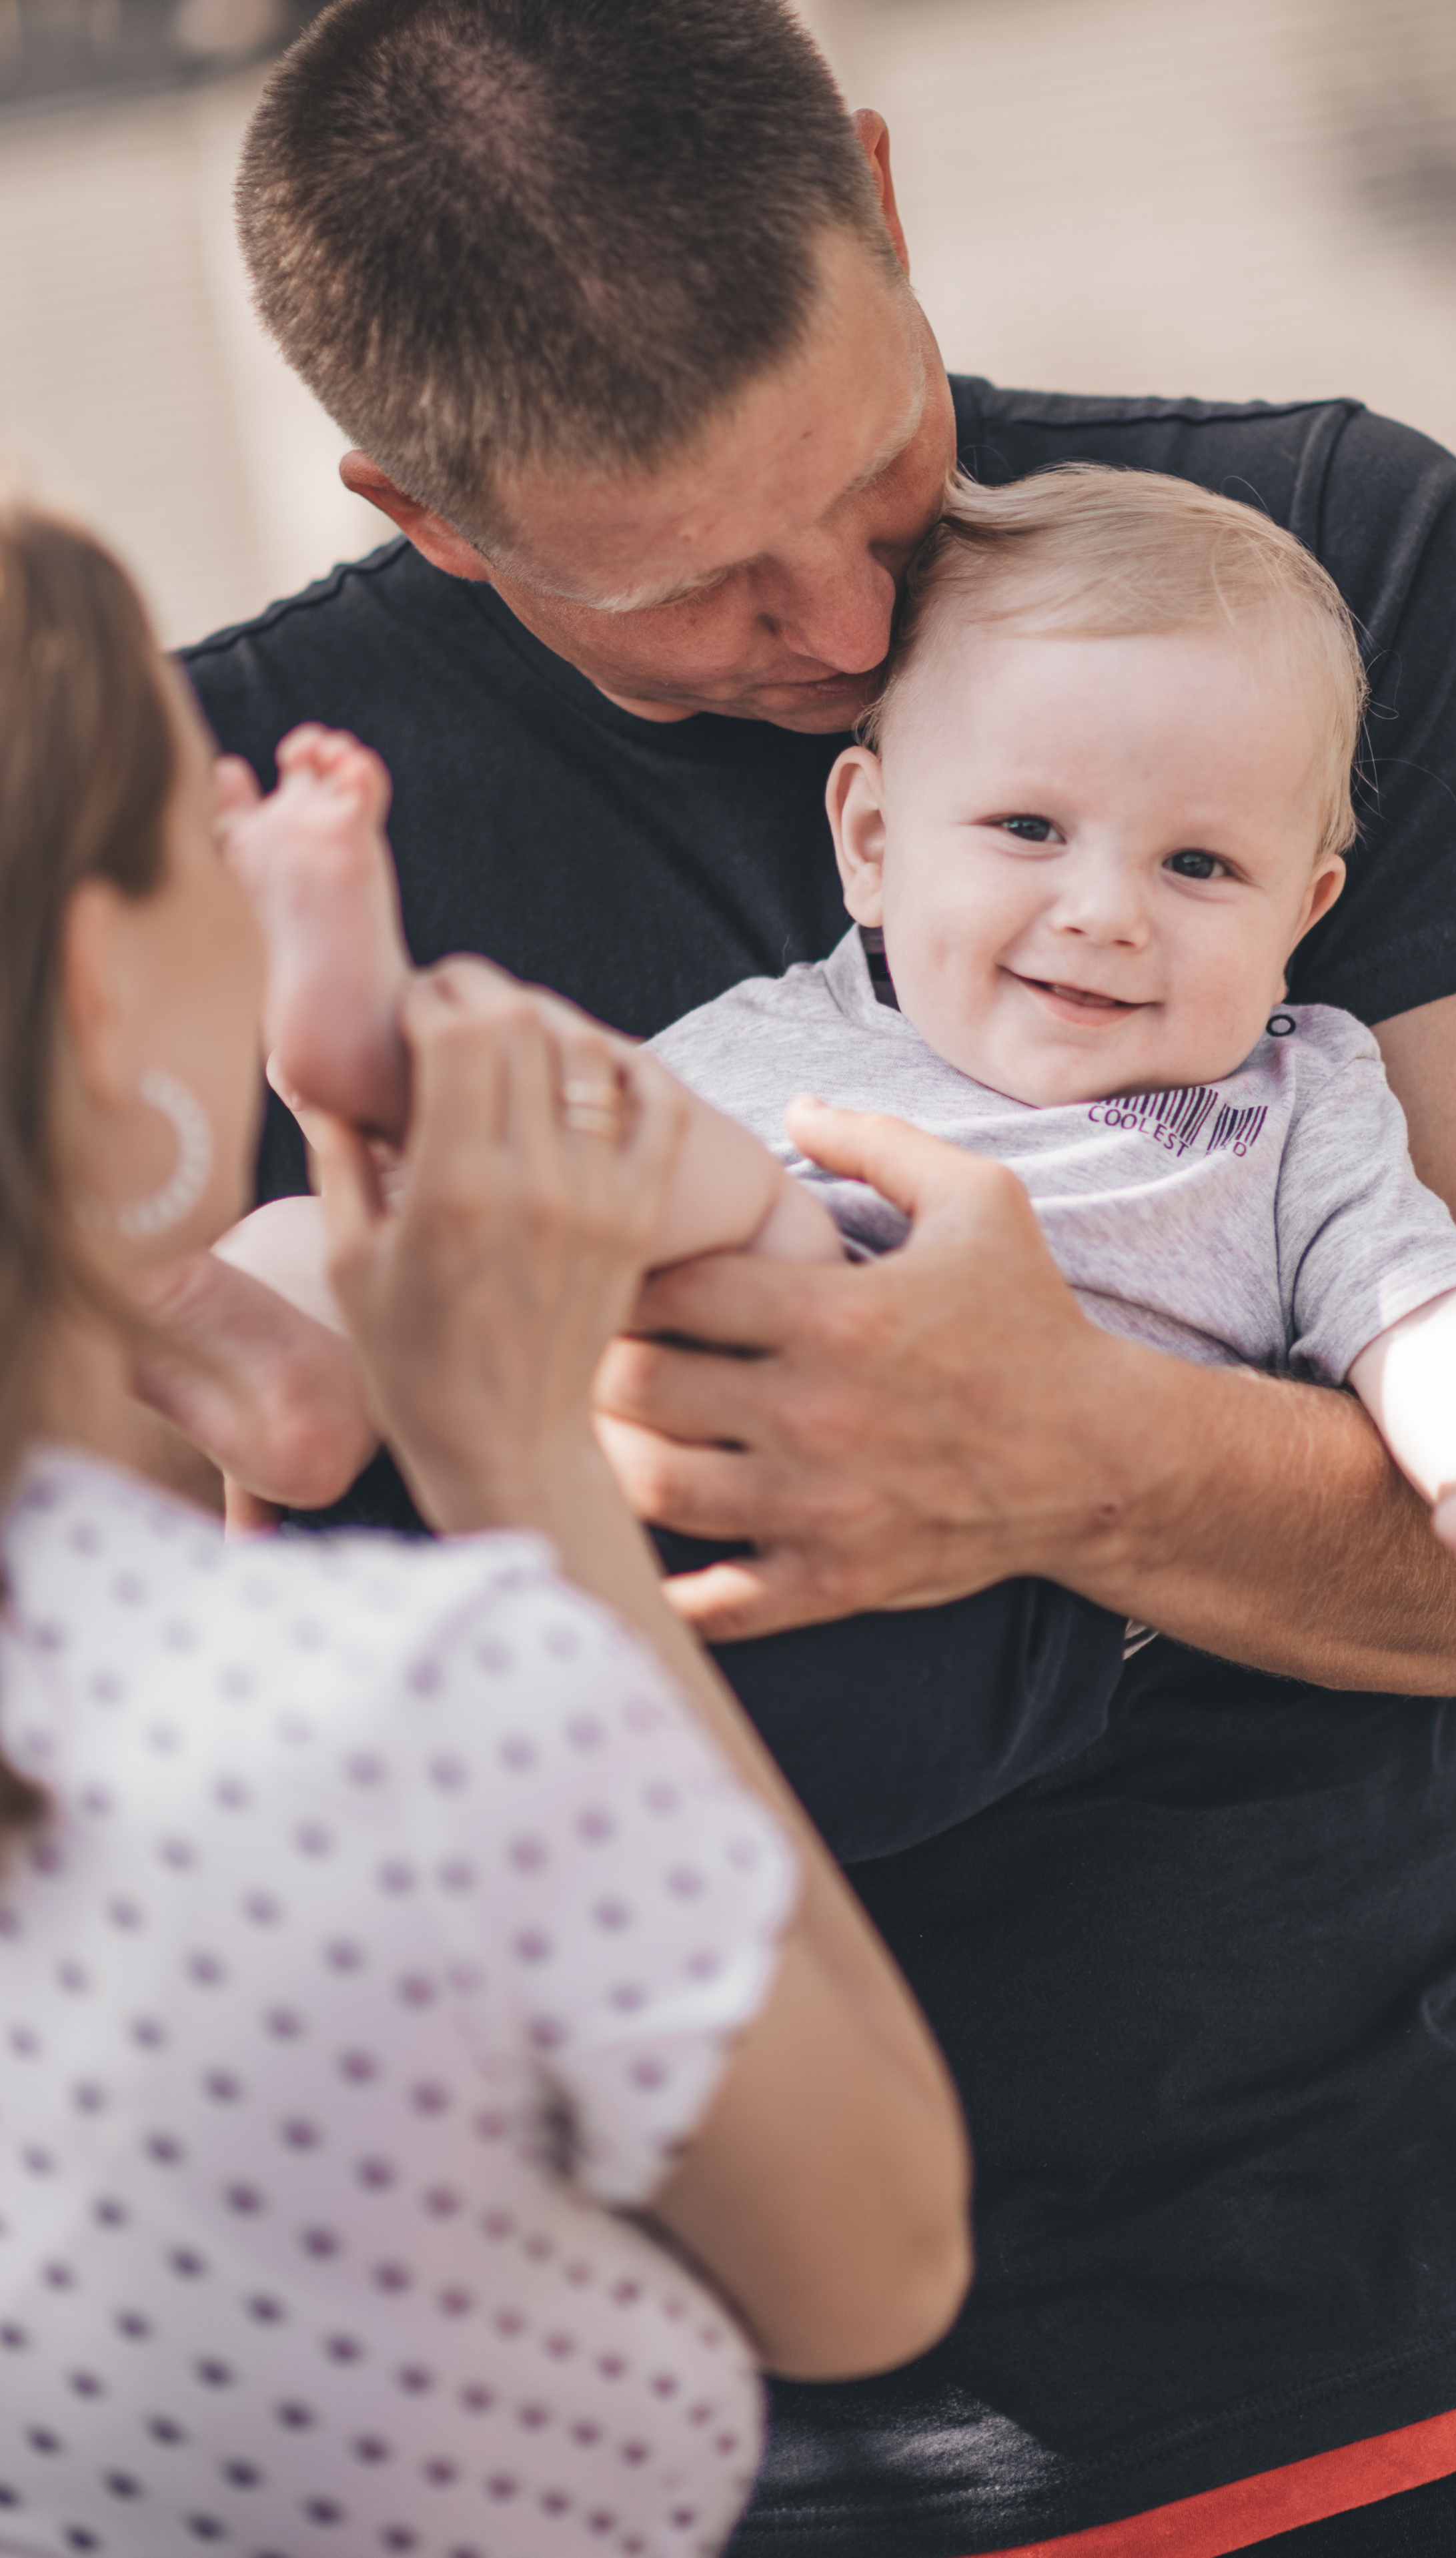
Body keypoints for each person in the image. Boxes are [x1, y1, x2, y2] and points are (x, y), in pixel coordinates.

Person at [181, 0, 1456, 2549]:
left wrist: (1058, 1450)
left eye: (882, 470)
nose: (857, 606)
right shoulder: (222, 807)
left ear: (880, 194)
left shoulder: (1314, 579)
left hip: (1416, 2331)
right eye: (696, 583)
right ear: (423, 510)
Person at [0, 501, 971, 2558]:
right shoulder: (411, 1710)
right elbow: (874, 2256)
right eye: (202, 835)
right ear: (98, 993)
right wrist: (526, 1471)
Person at [209, 470, 1456, 1663]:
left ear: (1302, 919)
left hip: (955, 1623)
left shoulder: (1284, 1112)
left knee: (721, 1206)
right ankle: (289, 1353)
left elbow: (1437, 1317)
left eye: (1198, 864)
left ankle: (395, 1053)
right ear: (874, 844)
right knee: (325, 1237)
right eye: (1027, 829)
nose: (1102, 909)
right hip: (610, 1544)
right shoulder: (790, 1024)